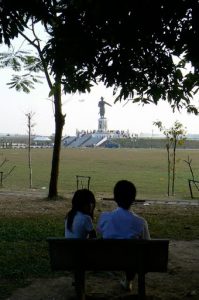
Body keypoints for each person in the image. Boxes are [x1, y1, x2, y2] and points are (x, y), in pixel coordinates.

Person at [97, 180, 150, 291]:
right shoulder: (140, 223)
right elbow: (147, 245)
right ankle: (129, 280)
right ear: (133, 199)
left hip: (106, 261)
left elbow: (101, 233)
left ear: (115, 198)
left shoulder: (104, 218)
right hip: (133, 262)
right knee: (135, 254)